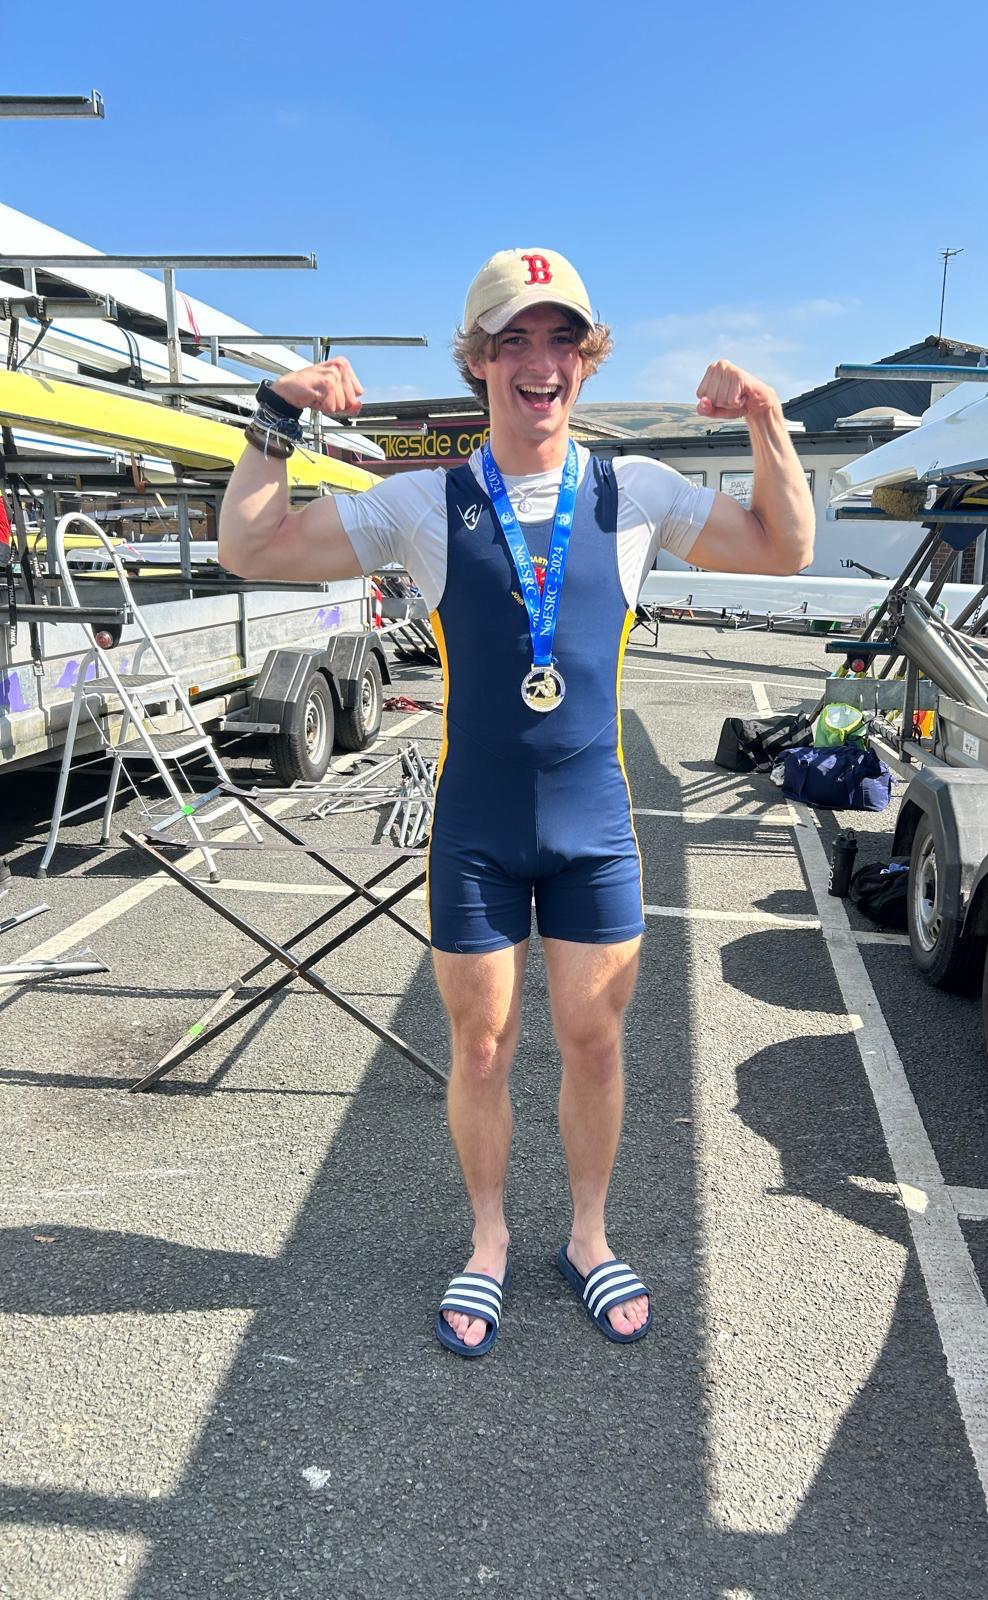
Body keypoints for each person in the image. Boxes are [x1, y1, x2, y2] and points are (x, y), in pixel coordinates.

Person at [218, 247, 814, 1356]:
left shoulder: (633, 493)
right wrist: (274, 416)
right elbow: (249, 544)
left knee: (595, 1041)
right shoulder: (423, 503)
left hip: (594, 825)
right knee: (482, 1047)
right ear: (480, 360)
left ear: (586, 359)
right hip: (479, 829)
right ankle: (487, 1238)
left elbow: (786, 547)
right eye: (514, 340)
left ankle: (588, 1236)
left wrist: (765, 421)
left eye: (561, 339)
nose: (540, 362)